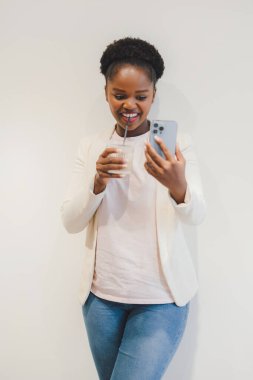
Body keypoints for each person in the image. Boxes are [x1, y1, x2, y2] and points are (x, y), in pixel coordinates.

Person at [60, 37, 206, 380]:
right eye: (120, 94)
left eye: (141, 96)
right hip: (101, 301)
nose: (130, 105)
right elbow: (70, 221)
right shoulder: (92, 146)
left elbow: (198, 214)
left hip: (161, 299)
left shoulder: (177, 145)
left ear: (154, 95)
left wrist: (176, 184)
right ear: (106, 92)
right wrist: (96, 184)